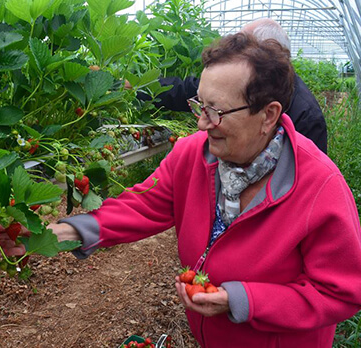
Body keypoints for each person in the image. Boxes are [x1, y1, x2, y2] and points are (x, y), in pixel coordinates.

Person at [48, 32, 361, 347]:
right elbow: (143, 206)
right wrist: (68, 230)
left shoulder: (319, 187)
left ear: (268, 115)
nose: (201, 123)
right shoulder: (193, 153)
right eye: (200, 105)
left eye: (217, 112)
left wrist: (243, 300)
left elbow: (339, 292)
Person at [137, 18, 328, 153]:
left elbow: (304, 185)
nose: (201, 124)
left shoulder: (306, 116)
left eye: (244, 47)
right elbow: (185, 89)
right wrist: (139, 87)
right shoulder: (195, 152)